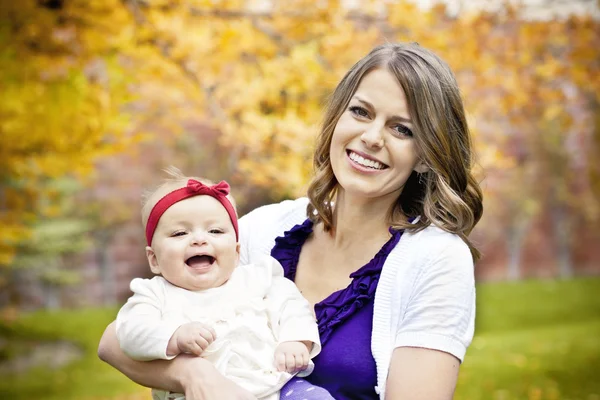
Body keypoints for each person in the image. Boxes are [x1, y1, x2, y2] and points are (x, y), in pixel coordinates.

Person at [98, 42, 483, 400]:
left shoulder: (435, 259)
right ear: (337, 118)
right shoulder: (267, 229)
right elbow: (115, 339)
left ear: (425, 154)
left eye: (402, 129)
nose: (371, 137)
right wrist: (192, 374)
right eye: (361, 112)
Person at [115, 170, 332, 400]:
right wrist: (174, 336)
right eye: (180, 233)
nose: (200, 239)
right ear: (154, 259)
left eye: (215, 231)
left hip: (277, 385)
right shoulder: (154, 295)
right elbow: (131, 333)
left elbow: (292, 306)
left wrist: (295, 340)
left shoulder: (259, 279)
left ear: (237, 251)